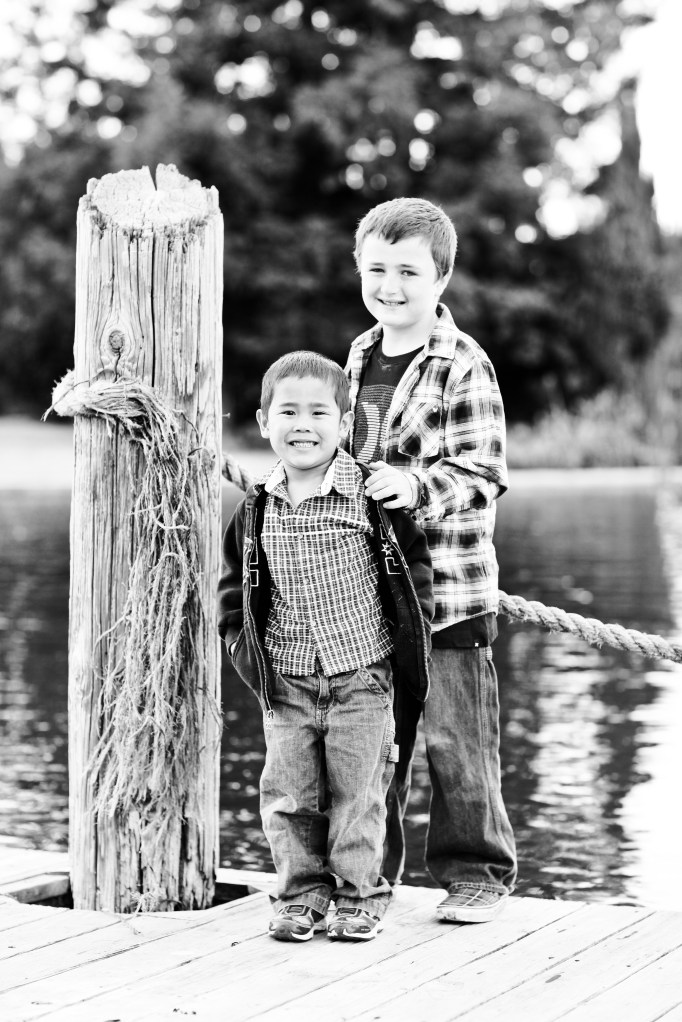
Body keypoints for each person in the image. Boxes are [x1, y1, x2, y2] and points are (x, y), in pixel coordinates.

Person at [218, 351, 433, 943]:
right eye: (288, 412)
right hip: (286, 680)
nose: (303, 425)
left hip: (362, 677)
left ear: (344, 422)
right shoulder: (256, 507)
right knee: (288, 795)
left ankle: (359, 895)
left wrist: (411, 637)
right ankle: (300, 896)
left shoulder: (371, 497)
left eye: (318, 412)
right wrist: (242, 648)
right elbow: (234, 588)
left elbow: (414, 569)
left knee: (358, 795)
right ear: (264, 421)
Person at [343, 197, 517, 923]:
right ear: (359, 269)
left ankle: (477, 873)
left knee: (457, 744)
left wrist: (414, 486)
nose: (391, 286)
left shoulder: (463, 362)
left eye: (408, 272)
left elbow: (482, 473)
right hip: (371, 596)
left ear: (440, 278)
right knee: (372, 743)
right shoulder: (358, 355)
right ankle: (364, 878)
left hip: (449, 593)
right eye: (377, 269)